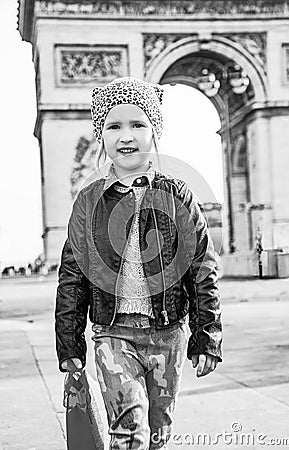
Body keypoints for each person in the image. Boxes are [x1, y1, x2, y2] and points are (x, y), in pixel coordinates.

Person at [55, 76, 223, 449]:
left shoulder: (178, 195)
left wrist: (207, 335)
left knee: (159, 433)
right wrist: (69, 346)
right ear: (101, 135)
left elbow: (202, 269)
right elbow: (72, 277)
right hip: (114, 334)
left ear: (154, 132)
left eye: (137, 124)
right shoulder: (88, 202)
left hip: (168, 334)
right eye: (113, 126)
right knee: (130, 433)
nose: (126, 136)